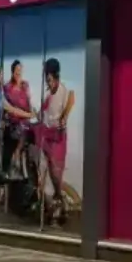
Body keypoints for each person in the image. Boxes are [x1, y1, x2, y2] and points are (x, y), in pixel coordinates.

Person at [38, 58, 75, 225]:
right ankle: (55, 204)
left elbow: (72, 99)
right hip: (46, 136)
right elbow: (42, 114)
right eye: (47, 79)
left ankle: (61, 202)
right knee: (44, 173)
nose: (49, 83)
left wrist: (64, 116)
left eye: (50, 79)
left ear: (56, 77)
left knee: (56, 173)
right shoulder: (47, 95)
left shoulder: (63, 90)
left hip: (58, 138)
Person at [1, 61, 36, 179]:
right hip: (14, 122)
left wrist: (32, 113)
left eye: (20, 71)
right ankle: (13, 159)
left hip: (25, 121)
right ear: (12, 71)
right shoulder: (7, 88)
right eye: (16, 70)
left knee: (35, 131)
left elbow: (29, 102)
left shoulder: (25, 85)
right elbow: (11, 109)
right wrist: (28, 115)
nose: (18, 73)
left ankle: (33, 172)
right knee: (17, 131)